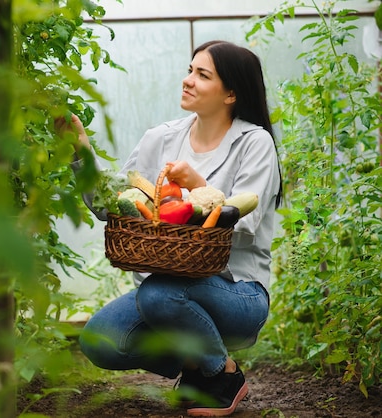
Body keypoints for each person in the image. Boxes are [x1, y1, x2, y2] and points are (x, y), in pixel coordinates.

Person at [56, 40, 283, 417]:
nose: (187, 80)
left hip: (238, 294)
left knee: (159, 294)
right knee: (100, 338)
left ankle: (223, 376)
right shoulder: (159, 139)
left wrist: (197, 185)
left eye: (202, 74)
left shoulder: (254, 142)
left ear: (230, 93)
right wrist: (81, 152)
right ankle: (201, 366)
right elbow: (114, 206)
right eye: (190, 69)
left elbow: (246, 224)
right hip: (165, 291)